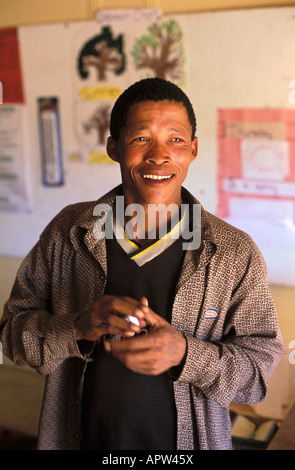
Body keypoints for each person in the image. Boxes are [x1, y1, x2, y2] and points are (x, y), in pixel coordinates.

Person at [0, 78, 283, 451]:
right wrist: (76, 327)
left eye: (176, 139)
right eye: (140, 138)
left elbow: (257, 374)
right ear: (113, 148)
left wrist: (185, 354)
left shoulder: (232, 252)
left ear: (194, 149)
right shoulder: (70, 232)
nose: (159, 155)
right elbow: (12, 338)